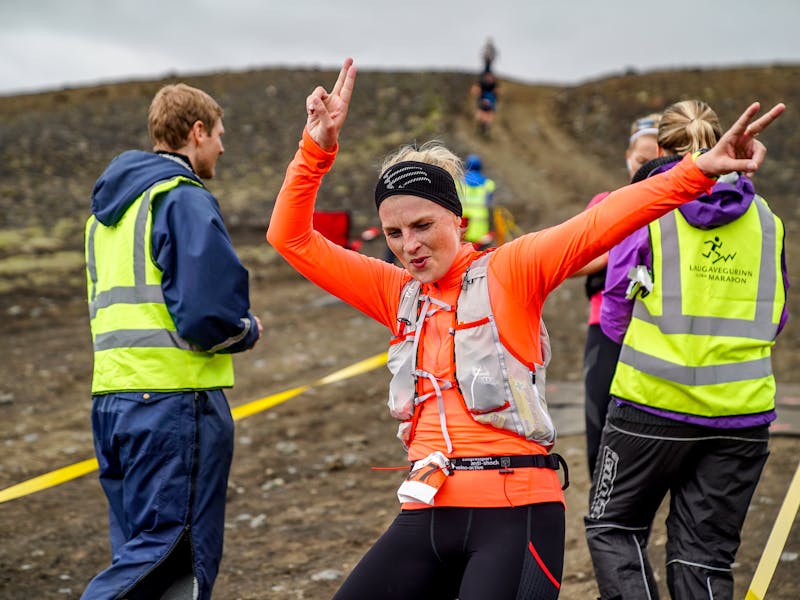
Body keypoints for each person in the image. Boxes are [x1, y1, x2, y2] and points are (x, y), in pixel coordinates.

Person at [266, 58, 783, 600]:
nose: (408, 245)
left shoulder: (512, 271)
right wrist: (315, 148)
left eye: (423, 225)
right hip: (426, 508)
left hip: (515, 514)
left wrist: (698, 171)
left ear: (457, 221)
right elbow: (290, 238)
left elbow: (602, 222)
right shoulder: (397, 292)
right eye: (393, 232)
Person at [585, 99, 789, 599]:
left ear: (660, 150)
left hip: (650, 408)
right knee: (703, 557)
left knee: (614, 529)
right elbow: (777, 316)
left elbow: (614, 309)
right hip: (742, 418)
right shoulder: (768, 222)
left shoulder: (649, 210)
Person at [82, 82, 262, 599]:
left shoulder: (104, 216)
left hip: (113, 406)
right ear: (196, 132)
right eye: (219, 136)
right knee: (170, 558)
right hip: (174, 405)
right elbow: (209, 316)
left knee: (140, 556)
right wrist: (247, 330)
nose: (222, 148)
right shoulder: (180, 198)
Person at [578, 113, 661, 478]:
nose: (648, 166)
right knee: (599, 424)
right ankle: (601, 504)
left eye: (657, 158)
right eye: (642, 160)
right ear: (629, 157)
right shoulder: (605, 202)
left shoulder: (683, 206)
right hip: (605, 325)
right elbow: (572, 259)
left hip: (661, 327)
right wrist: (624, 250)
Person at [458, 153, 497, 248]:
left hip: (462, 227)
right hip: (480, 228)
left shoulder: (458, 183)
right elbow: (489, 203)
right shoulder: (488, 184)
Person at [472, 70, 498, 137]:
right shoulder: (482, 84)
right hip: (482, 102)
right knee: (480, 116)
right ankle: (481, 127)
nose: (489, 79)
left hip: (490, 103)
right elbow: (476, 91)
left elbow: (497, 93)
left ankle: (485, 129)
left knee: (488, 118)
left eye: (490, 77)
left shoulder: (494, 85)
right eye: (488, 77)